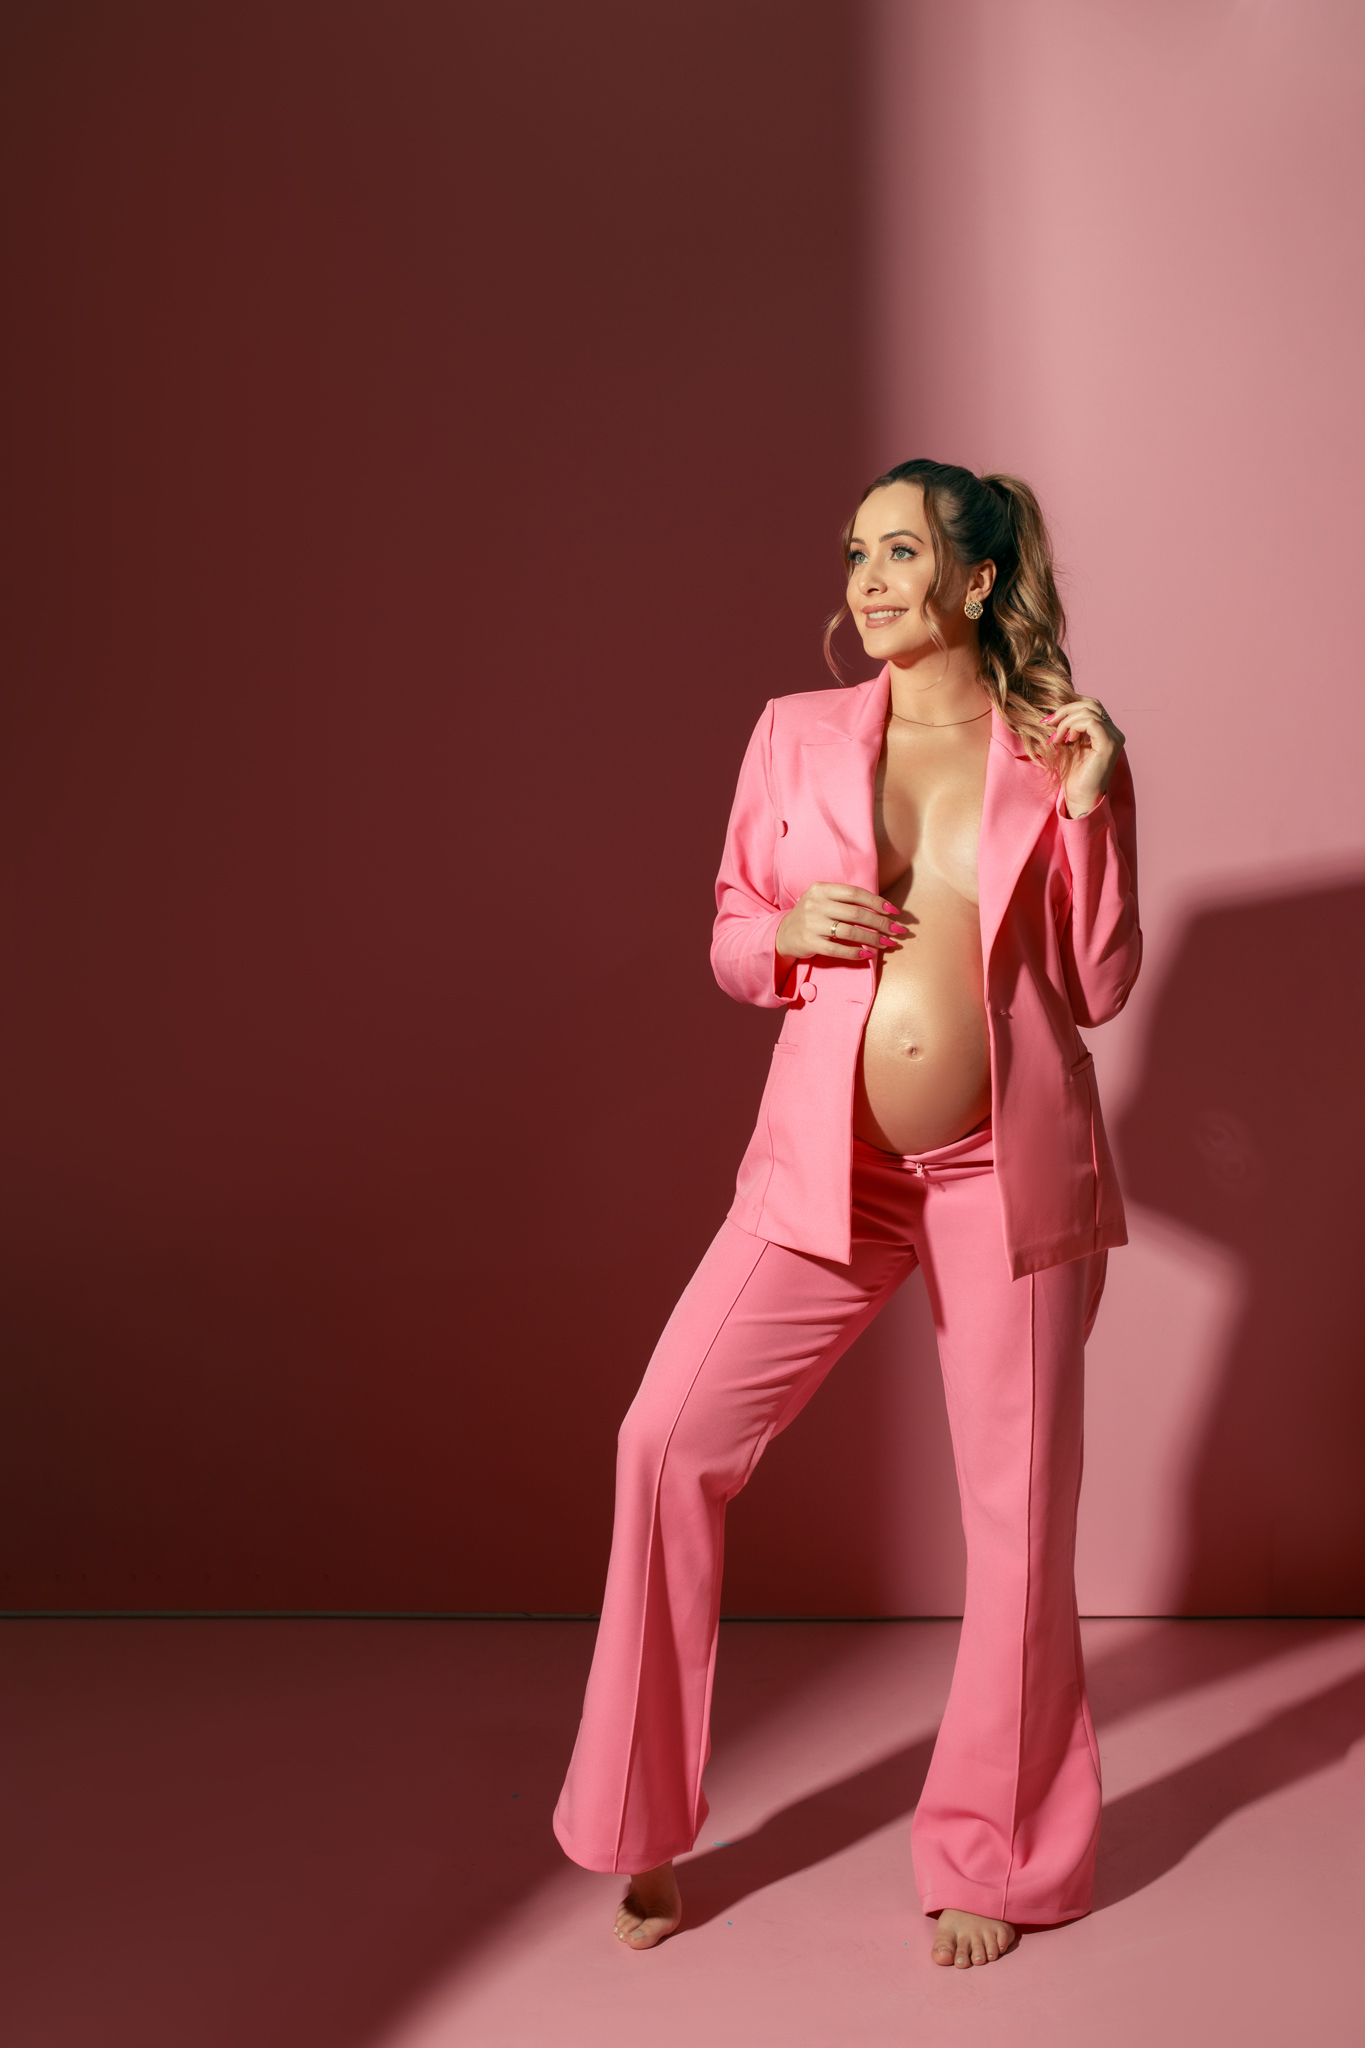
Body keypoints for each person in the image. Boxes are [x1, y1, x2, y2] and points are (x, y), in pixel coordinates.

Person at [552, 458, 1140, 1969]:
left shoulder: (1055, 746)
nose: (868, 580)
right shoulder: (796, 734)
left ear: (978, 580)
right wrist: (784, 933)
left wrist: (1091, 810)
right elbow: (730, 931)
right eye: (856, 553)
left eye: (901, 552)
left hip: (1006, 1178)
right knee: (665, 1440)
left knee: (1017, 1521)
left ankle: (996, 1854)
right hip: (828, 1172)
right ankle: (639, 1821)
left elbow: (1097, 984)